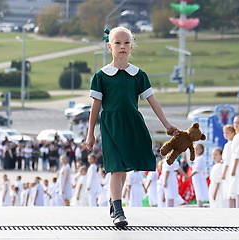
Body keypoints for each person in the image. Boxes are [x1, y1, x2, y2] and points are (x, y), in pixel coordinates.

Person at [86, 26, 180, 227]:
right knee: (116, 167)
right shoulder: (101, 76)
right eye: (117, 43)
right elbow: (95, 106)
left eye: (126, 43)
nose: (122, 46)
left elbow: (152, 101)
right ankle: (118, 211)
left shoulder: (139, 75)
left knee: (126, 166)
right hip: (110, 125)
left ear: (131, 47)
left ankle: (114, 200)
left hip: (132, 124)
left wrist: (167, 124)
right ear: (109, 46)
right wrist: (90, 134)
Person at [187, 143, 208, 207]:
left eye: (197, 149)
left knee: (199, 191)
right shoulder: (197, 158)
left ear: (201, 150)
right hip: (196, 177)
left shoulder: (201, 158)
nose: (195, 150)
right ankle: (199, 204)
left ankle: (200, 205)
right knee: (197, 191)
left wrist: (189, 177)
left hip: (199, 176)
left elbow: (196, 170)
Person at [221, 125, 236, 208]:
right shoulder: (228, 144)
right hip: (228, 167)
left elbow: (227, 160)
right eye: (224, 133)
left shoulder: (229, 145)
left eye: (228, 133)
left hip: (229, 168)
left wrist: (224, 173)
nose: (226, 134)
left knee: (229, 189)